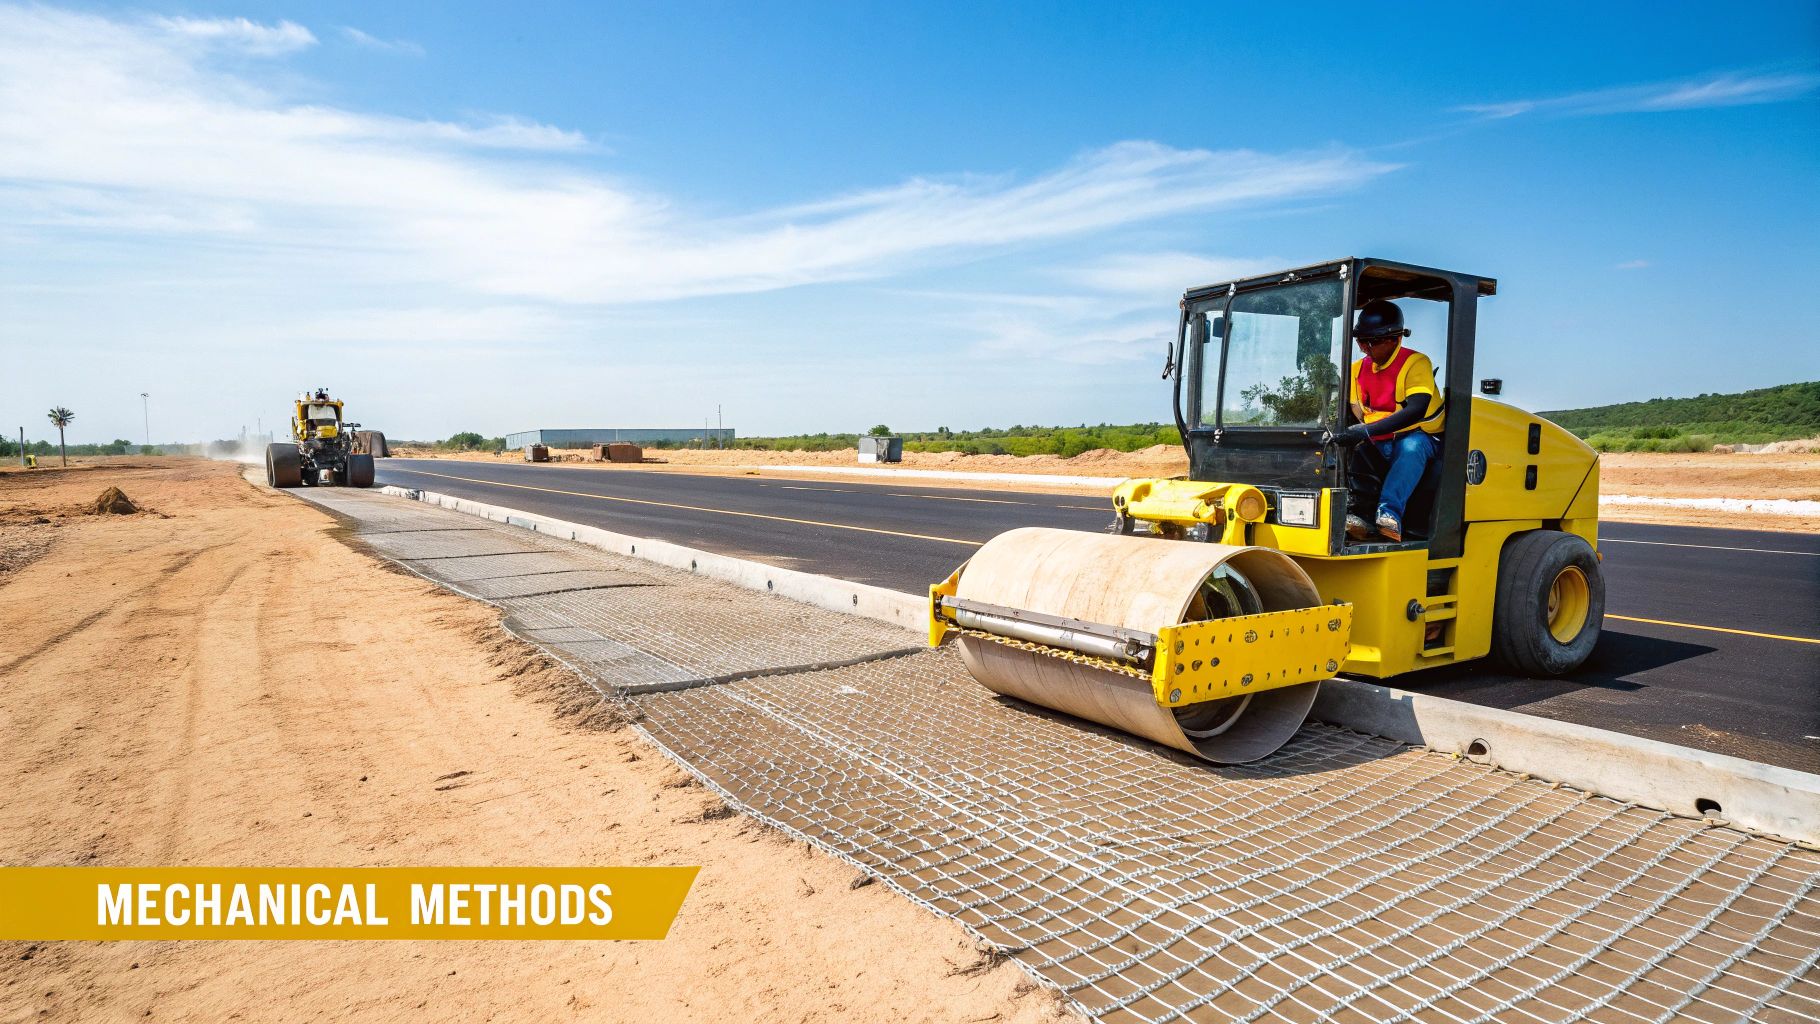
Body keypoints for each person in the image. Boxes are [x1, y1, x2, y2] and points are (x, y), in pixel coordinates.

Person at [1332, 299, 1444, 541]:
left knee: (1411, 447)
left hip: (1423, 438)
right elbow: (1355, 409)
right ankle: (1358, 515)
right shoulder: (1357, 370)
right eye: (1360, 341)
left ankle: (1389, 514)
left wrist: (1365, 431)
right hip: (1380, 438)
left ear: (1395, 339)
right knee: (1355, 450)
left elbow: (1416, 409)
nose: (1364, 348)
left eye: (1370, 342)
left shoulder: (1416, 363)